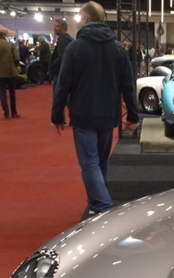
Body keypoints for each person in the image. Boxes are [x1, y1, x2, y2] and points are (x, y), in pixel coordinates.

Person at [51, 1, 139, 216]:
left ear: (87, 19)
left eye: (79, 18)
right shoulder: (118, 49)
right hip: (108, 114)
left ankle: (102, 208)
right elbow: (128, 85)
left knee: (89, 163)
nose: (78, 22)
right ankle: (95, 203)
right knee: (100, 161)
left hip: (83, 114)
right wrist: (133, 114)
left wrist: (57, 115)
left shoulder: (74, 48)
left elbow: (63, 85)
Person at [49, 19, 72, 85]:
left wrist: (53, 64)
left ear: (63, 28)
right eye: (55, 26)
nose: (55, 28)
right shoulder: (67, 39)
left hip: (60, 72)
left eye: (57, 26)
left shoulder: (63, 40)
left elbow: (62, 57)